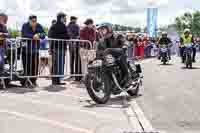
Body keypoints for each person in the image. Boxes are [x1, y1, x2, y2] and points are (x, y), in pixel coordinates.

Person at [97, 23, 131, 87]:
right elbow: (98, 50)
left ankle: (127, 76)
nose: (101, 32)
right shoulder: (101, 41)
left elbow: (126, 41)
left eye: (103, 30)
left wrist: (125, 46)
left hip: (119, 54)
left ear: (109, 29)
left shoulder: (118, 35)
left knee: (120, 58)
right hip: (108, 58)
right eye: (100, 30)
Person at [21, 15, 46, 86]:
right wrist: (33, 36)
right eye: (33, 21)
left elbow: (44, 34)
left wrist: (39, 34)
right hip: (26, 50)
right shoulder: (25, 26)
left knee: (35, 67)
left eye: (35, 21)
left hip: (35, 50)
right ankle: (26, 81)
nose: (34, 23)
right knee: (27, 66)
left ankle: (34, 81)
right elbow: (24, 34)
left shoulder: (39, 26)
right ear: (29, 20)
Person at [48, 12, 70, 85]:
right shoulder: (63, 26)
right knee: (60, 64)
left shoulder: (53, 26)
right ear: (61, 18)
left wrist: (50, 48)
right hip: (60, 48)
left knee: (55, 64)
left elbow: (50, 37)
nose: (65, 19)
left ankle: (55, 80)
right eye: (64, 17)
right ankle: (58, 80)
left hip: (55, 47)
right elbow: (67, 37)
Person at [67, 16, 81, 81]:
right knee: (76, 60)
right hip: (75, 44)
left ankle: (71, 74)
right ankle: (76, 75)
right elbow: (78, 35)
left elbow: (67, 35)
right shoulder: (76, 26)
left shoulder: (67, 26)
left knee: (71, 60)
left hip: (70, 44)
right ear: (74, 20)